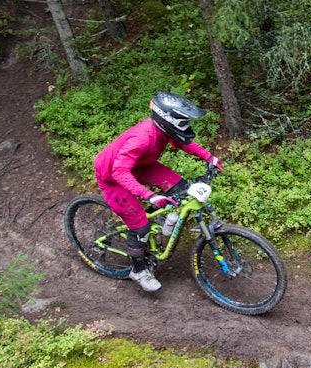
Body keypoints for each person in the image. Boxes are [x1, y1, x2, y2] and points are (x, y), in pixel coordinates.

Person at [94, 92, 222, 292]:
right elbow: (119, 171)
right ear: (168, 121)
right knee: (140, 225)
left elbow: (184, 142)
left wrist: (209, 158)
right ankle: (138, 270)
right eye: (184, 122)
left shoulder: (165, 131)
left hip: (141, 166)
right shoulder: (143, 138)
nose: (187, 126)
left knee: (182, 189)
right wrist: (149, 195)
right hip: (112, 177)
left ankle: (164, 224)